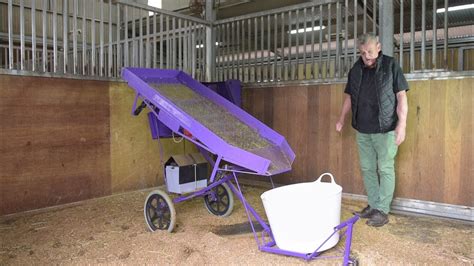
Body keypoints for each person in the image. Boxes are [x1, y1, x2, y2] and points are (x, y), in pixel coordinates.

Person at [336, 33, 409, 227]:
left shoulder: (391, 65)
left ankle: (382, 210)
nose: (367, 56)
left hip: (385, 129)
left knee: (385, 168)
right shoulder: (356, 69)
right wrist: (341, 118)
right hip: (362, 129)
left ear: (378, 47)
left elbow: (401, 96)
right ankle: (373, 205)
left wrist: (402, 124)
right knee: (368, 168)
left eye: (370, 51)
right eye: (362, 53)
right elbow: (349, 98)